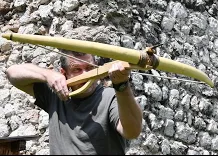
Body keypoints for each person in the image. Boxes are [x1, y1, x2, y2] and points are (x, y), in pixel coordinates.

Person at [5, 50, 143, 155]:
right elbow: (12, 73)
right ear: (64, 73)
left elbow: (132, 132)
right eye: (77, 70)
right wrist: (47, 75)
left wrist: (121, 85)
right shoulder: (56, 94)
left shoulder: (110, 96)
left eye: (89, 68)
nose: (85, 74)